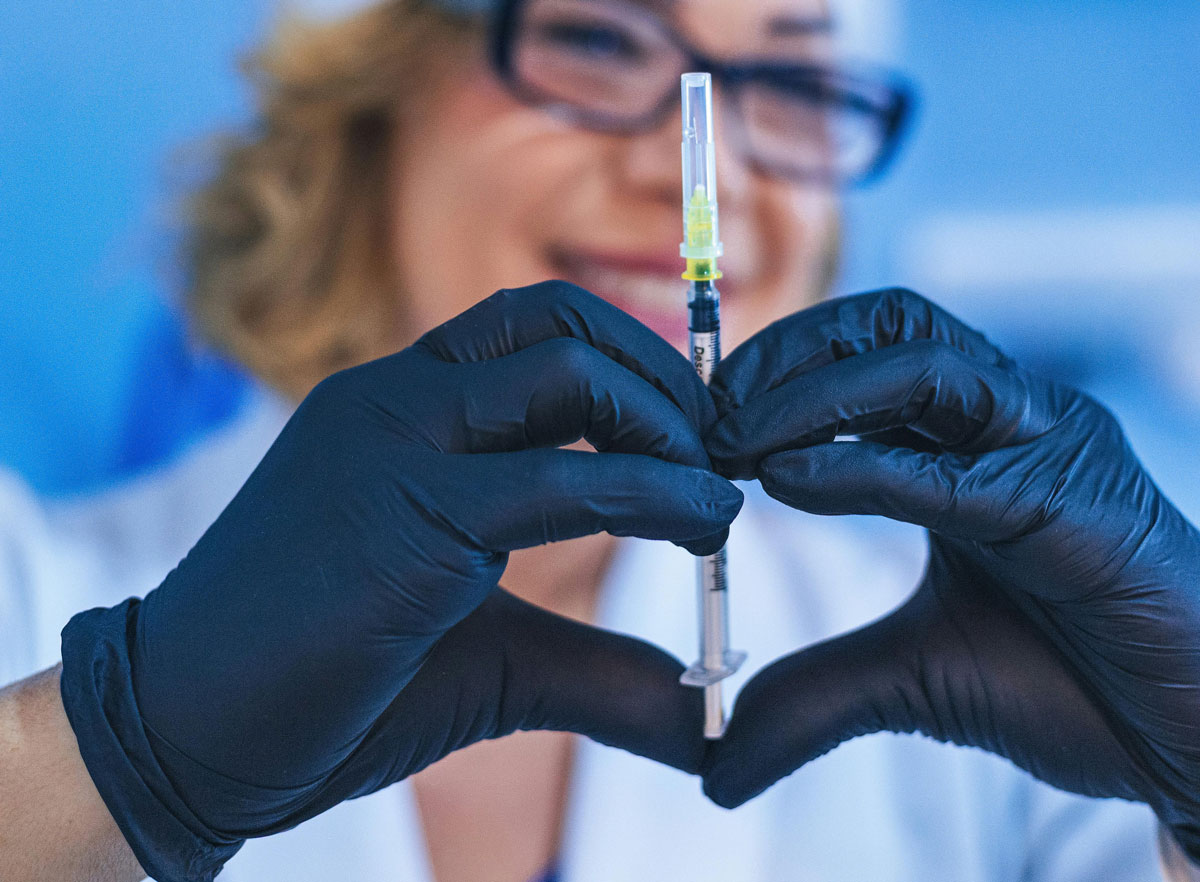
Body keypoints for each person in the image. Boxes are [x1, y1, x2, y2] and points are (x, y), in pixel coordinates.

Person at [2, 0, 1198, 880]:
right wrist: (116, 756)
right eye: (596, 37)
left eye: (792, 84)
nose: (706, 171)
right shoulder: (31, 596)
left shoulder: (976, 666)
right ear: (371, 100)